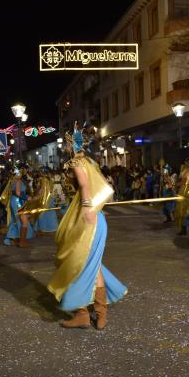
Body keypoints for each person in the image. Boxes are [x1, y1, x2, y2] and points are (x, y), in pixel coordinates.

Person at [48, 126, 127, 329]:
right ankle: (100, 315)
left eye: (66, 144)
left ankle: (83, 313)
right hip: (96, 218)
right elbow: (102, 185)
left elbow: (84, 184)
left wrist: (86, 209)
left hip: (88, 217)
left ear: (71, 145)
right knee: (93, 265)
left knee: (77, 261)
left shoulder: (77, 162)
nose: (64, 148)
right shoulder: (91, 162)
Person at [0, 164, 35, 247]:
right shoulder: (18, 181)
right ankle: (22, 242)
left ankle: (13, 240)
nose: (24, 171)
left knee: (16, 220)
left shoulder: (13, 180)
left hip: (15, 201)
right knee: (23, 220)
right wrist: (27, 197)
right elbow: (18, 193)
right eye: (23, 170)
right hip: (17, 201)